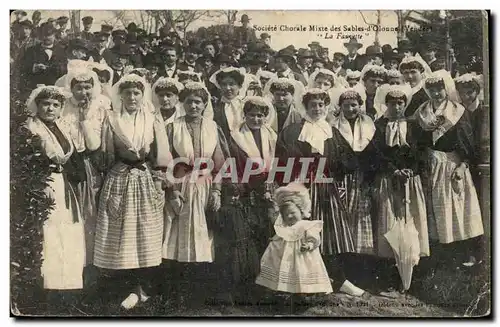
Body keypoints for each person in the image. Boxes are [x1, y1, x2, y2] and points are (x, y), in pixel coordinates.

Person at [275, 88, 365, 297]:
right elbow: (282, 162)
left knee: (331, 236)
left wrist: (332, 171)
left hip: (326, 189)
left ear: (326, 107)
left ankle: (339, 280)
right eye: (312, 105)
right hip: (301, 190)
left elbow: (348, 161)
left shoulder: (331, 132)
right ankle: (304, 282)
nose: (317, 109)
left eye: (321, 105)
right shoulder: (292, 131)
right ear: (305, 107)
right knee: (301, 235)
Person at [93, 74, 171, 310]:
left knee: (145, 232)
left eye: (136, 93)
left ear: (142, 95)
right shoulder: (112, 119)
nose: (132, 97)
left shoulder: (152, 119)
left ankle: (142, 288)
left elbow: (161, 153)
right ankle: (123, 286)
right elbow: (106, 153)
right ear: (121, 96)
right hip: (120, 177)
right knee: (120, 232)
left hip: (145, 177)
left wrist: (159, 179)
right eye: (127, 93)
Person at [162, 82, 229, 307]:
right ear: (183, 103)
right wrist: (172, 191)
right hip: (181, 186)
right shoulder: (173, 127)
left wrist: (217, 191)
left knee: (205, 234)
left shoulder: (212, 127)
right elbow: (166, 162)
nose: (193, 106)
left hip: (206, 184)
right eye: (189, 101)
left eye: (198, 102)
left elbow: (220, 164)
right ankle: (178, 291)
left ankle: (201, 290)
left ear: (204, 104)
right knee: (179, 236)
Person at [413, 70, 484, 267]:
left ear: (446, 89)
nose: (436, 94)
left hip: (451, 164)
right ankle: (439, 255)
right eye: (432, 90)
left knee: (455, 208)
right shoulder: (422, 111)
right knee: (433, 209)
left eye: (439, 89)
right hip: (430, 164)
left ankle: (462, 254)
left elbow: (467, 142)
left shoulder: (457, 111)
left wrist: (463, 165)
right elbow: (418, 142)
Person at [24, 85, 85, 303]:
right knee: (49, 229)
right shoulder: (32, 128)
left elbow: (72, 157)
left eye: (55, 105)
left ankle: (67, 283)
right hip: (43, 184)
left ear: (61, 109)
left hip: (62, 184)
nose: (50, 108)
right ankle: (48, 285)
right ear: (37, 106)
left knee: (66, 229)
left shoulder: (62, 127)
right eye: (45, 104)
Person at [372, 84, 430, 295]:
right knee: (389, 224)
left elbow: (422, 152)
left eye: (400, 103)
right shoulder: (379, 126)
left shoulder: (414, 126)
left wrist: (410, 170)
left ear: (405, 104)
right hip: (389, 180)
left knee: (411, 223)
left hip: (410, 181)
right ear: (386, 104)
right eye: (392, 103)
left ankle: (410, 278)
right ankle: (390, 278)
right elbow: (376, 153)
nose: (396, 107)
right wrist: (393, 170)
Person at [59, 67, 111, 276]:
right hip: (71, 164)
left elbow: (93, 144)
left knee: (92, 213)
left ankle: (92, 264)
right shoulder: (64, 107)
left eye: (87, 87)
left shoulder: (100, 107)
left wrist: (84, 119)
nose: (83, 92)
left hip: (92, 165)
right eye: (78, 88)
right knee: (72, 213)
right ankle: (73, 263)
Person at [255, 183, 333, 311]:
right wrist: (274, 240)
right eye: (286, 215)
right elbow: (280, 236)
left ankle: (303, 296)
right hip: (287, 259)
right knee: (285, 275)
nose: (289, 216)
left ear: (301, 210)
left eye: (292, 213)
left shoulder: (306, 225)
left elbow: (314, 238)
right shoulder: (284, 228)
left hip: (302, 258)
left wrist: (309, 244)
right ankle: (284, 293)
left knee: (302, 276)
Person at [330, 88, 377, 256]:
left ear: (360, 105)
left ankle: (361, 253)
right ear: (340, 107)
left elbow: (373, 150)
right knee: (343, 211)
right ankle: (345, 250)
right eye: (346, 106)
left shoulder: (368, 123)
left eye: (353, 105)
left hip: (363, 173)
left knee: (362, 210)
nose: (350, 109)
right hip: (342, 174)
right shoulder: (333, 124)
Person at [21, 24, 67, 98]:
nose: (46, 37)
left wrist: (50, 68)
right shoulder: (31, 50)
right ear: (41, 36)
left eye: (49, 35)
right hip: (35, 90)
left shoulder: (61, 51)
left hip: (56, 89)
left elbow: (65, 69)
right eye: (44, 35)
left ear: (54, 35)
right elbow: (22, 67)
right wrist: (33, 67)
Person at [211, 67, 249, 140]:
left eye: (232, 84)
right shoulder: (214, 106)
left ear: (240, 86)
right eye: (224, 84)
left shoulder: (245, 105)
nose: (228, 88)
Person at [399, 55, 432, 120]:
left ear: (421, 73)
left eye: (413, 72)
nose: (410, 76)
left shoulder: (426, 92)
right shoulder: (400, 90)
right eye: (406, 73)